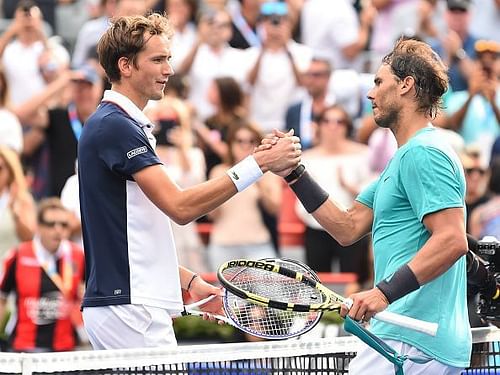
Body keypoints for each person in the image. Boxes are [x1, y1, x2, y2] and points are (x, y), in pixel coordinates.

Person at [78, 13, 301, 350]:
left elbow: (134, 233)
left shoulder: (120, 124)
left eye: (168, 58)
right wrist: (259, 163)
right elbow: (181, 208)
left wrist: (189, 281)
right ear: (125, 66)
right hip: (130, 307)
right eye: (158, 59)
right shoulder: (115, 126)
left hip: (130, 303)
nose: (169, 69)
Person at [264, 38, 471, 373]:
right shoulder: (403, 158)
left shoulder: (425, 152)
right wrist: (292, 172)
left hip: (416, 341)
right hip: (402, 336)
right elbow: (347, 227)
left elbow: (451, 239)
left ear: (406, 86)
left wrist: (382, 294)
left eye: (378, 82)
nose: (370, 94)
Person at [0, 197, 85, 352]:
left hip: (65, 350)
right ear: (38, 227)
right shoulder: (18, 255)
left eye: (63, 225)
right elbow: (2, 299)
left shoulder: (78, 256)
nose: (58, 230)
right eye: (51, 224)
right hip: (24, 350)